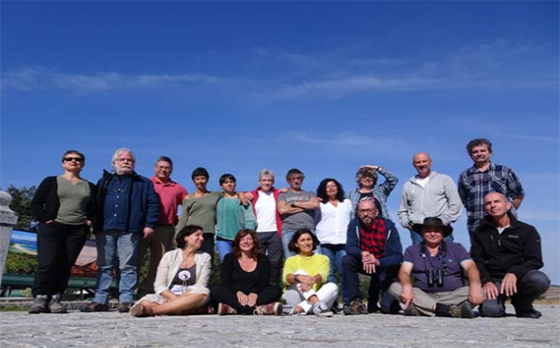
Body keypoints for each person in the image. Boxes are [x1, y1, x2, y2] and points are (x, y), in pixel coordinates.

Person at [82, 148, 159, 313]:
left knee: (128, 266)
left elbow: (153, 205)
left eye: (129, 160)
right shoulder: (104, 181)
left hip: (130, 229)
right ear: (114, 163)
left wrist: (149, 224)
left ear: (134, 163)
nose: (126, 162)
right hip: (105, 228)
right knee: (104, 265)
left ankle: (126, 299)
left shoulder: (143, 183)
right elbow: (94, 203)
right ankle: (100, 299)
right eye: (122, 159)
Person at [29, 150, 96, 314]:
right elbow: (36, 203)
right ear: (63, 162)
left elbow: (95, 208)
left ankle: (56, 298)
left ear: (83, 164)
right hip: (53, 227)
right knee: (48, 262)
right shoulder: (51, 181)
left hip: (77, 230)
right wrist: (46, 219)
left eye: (78, 159)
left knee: (65, 264)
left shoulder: (89, 186)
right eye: (69, 159)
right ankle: (41, 297)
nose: (73, 161)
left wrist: (89, 221)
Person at [472, 192, 550, 319]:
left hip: (520, 277)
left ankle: (523, 305)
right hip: (495, 279)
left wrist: (514, 273)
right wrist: (486, 281)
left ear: (508, 206)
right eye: (488, 203)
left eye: (497, 201)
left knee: (539, 280)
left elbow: (535, 260)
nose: (492, 205)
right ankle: (496, 304)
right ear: (485, 208)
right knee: (490, 311)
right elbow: (477, 260)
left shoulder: (527, 230)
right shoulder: (480, 232)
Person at [389, 217, 483, 318]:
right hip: (424, 294)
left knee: (482, 290)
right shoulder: (412, 250)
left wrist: (475, 286)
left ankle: (424, 308)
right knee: (395, 287)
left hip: (453, 295)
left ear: (443, 233)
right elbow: (404, 272)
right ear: (422, 233)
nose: (432, 234)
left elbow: (471, 268)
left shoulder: (457, 248)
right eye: (428, 231)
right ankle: (448, 309)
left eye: (437, 231)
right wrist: (407, 287)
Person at [129, 225, 212, 317]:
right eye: (197, 235)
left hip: (191, 296)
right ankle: (183, 310)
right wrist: (173, 298)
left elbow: (201, 284)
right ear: (186, 238)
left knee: (204, 292)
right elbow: (159, 285)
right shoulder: (169, 256)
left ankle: (153, 310)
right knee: (145, 302)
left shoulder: (205, 257)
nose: (201, 238)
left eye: (202, 236)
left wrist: (180, 299)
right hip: (168, 296)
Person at [137, 156, 188, 294]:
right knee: (136, 259)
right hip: (143, 227)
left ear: (171, 170)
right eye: (161, 167)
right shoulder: (145, 183)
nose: (163, 170)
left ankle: (149, 291)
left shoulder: (178, 188)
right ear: (155, 168)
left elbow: (190, 206)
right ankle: (129, 291)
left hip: (165, 229)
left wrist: (180, 217)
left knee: (159, 262)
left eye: (166, 167)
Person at [342, 200, 403, 315]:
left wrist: (378, 261)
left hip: (383, 265)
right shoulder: (354, 225)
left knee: (389, 309)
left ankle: (377, 301)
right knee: (347, 260)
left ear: (376, 212)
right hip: (364, 262)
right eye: (362, 211)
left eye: (369, 210)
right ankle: (356, 301)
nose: (365, 214)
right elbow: (349, 247)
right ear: (357, 213)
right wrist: (363, 253)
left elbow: (398, 256)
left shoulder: (388, 228)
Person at [458, 138, 525, 236]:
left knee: (507, 250)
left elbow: (518, 195)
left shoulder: (504, 171)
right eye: (475, 152)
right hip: (477, 224)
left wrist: (506, 211)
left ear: (490, 153)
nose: (479, 154)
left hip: (503, 224)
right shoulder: (465, 176)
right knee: (480, 251)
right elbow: (463, 199)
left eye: (483, 151)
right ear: (470, 155)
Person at [210, 229, 283, 315]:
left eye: (249, 239)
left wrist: (254, 293)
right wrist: (238, 292)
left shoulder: (263, 259)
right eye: (242, 239)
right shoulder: (229, 258)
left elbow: (264, 282)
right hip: (235, 294)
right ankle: (254, 309)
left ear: (254, 242)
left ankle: (234, 309)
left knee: (276, 290)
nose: (246, 242)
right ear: (237, 242)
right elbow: (226, 282)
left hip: (256, 295)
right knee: (215, 289)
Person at [398, 152, 462, 245]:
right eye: (418, 162)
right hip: (417, 230)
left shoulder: (444, 180)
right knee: (419, 258)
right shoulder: (408, 184)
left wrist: (444, 221)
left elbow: (456, 204)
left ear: (430, 162)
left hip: (441, 228)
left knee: (447, 257)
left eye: (424, 161)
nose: (422, 164)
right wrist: (406, 222)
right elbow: (402, 209)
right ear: (414, 165)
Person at [282, 229, 338, 317]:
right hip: (296, 296)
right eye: (302, 240)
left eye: (309, 239)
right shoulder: (291, 260)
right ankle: (316, 304)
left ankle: (297, 309)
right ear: (296, 244)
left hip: (319, 295)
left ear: (313, 241)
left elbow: (322, 275)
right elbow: (286, 278)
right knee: (299, 273)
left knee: (333, 286)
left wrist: (313, 279)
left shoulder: (323, 258)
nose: (306, 243)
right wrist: (299, 278)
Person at [315, 178, 353, 308]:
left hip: (343, 241)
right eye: (327, 187)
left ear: (338, 188)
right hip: (325, 240)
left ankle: (348, 301)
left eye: (333, 186)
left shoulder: (347, 202)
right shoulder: (320, 204)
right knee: (330, 273)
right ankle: (332, 302)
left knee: (345, 271)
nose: (331, 188)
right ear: (323, 190)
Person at [176, 167, 222, 263]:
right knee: (191, 261)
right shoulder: (189, 198)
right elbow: (183, 217)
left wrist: (242, 194)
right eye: (197, 179)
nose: (200, 181)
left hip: (208, 233)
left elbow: (230, 194)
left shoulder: (215, 195)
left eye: (202, 178)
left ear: (207, 180)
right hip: (191, 233)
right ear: (193, 181)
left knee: (208, 261)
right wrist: (177, 236)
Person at [249, 169, 284, 286]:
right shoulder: (252, 195)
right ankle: (258, 289)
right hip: (258, 232)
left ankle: (273, 289)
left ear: (273, 182)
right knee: (258, 262)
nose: (267, 182)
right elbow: (241, 196)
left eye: (269, 180)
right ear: (259, 182)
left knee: (275, 262)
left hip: (275, 232)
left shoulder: (278, 193)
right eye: (264, 180)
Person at [277, 168, 320, 257]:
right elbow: (282, 210)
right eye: (293, 178)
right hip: (289, 229)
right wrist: (305, 207)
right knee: (290, 258)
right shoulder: (283, 195)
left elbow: (315, 205)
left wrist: (294, 204)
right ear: (289, 180)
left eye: (299, 178)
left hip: (308, 229)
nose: (296, 181)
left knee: (316, 256)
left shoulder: (310, 194)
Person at [215, 174, 257, 261]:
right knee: (226, 263)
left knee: (241, 264)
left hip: (240, 238)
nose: (229, 184)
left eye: (231, 182)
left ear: (235, 184)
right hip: (222, 237)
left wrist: (249, 234)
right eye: (226, 182)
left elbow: (249, 217)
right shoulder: (217, 199)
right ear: (221, 185)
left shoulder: (243, 199)